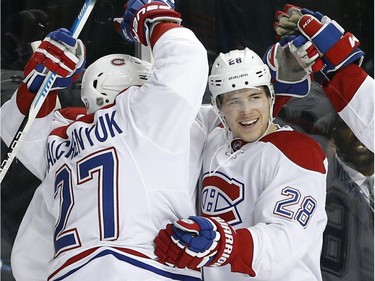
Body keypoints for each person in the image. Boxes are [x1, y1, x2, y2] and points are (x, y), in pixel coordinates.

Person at [2, 0, 209, 280]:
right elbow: (186, 59)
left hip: (67, 271)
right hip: (143, 267)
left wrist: (40, 84)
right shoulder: (146, 119)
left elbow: (17, 127)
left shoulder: (63, 136)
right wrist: (157, 20)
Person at [154, 47, 328, 280]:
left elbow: (285, 241)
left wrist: (222, 244)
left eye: (255, 97)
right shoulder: (215, 135)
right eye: (234, 102)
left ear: (270, 98)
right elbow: (165, 115)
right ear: (219, 108)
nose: (246, 111)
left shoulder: (298, 152)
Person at [313, 113, 374, 281]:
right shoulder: (318, 184)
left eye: (365, 125)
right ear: (333, 137)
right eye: (349, 125)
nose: (359, 133)